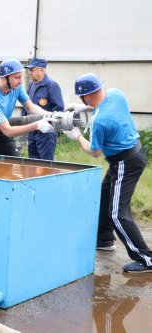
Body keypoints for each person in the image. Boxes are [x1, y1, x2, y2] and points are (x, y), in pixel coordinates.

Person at [64, 73, 151, 274]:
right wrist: (84, 108)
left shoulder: (99, 121)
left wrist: (76, 135)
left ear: (84, 96)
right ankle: (104, 240)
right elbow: (102, 102)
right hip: (133, 154)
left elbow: (94, 152)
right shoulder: (116, 94)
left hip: (125, 162)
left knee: (117, 213)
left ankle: (146, 258)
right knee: (104, 197)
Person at [0, 58, 55, 156]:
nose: (20, 81)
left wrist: (51, 115)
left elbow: (30, 107)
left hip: (2, 135)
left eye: (21, 77)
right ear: (4, 78)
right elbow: (9, 131)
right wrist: (37, 125)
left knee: (14, 164)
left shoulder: (16, 87)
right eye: (17, 77)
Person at [21, 58, 64, 160]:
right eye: (29, 70)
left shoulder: (51, 86)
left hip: (46, 134)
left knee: (46, 165)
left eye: (32, 70)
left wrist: (51, 127)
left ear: (42, 70)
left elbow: (58, 110)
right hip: (32, 131)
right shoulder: (31, 85)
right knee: (32, 163)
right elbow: (26, 107)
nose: (29, 72)